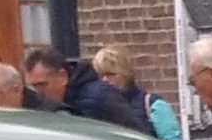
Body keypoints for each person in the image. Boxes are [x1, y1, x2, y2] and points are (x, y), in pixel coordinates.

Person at [21, 46, 151, 133]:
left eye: (42, 85)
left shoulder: (99, 99)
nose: (38, 93)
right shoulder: (47, 106)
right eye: (32, 87)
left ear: (62, 77)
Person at [93, 44, 182, 140]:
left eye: (111, 74)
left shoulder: (153, 105)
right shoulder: (98, 106)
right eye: (101, 75)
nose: (105, 80)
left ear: (125, 74)